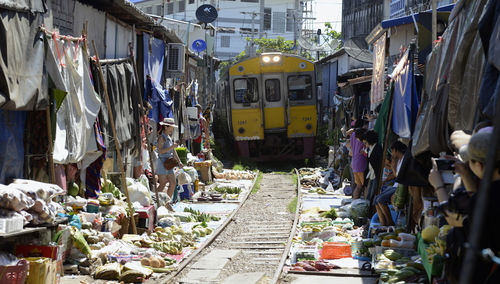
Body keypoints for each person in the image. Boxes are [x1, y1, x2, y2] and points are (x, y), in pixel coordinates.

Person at [428, 130, 500, 284]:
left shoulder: (487, 197)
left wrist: (438, 186)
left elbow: (454, 219)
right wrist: (466, 175)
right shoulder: (490, 192)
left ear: (479, 165)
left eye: (470, 161)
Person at [374, 141, 406, 226]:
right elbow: (395, 175)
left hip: (399, 187)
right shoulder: (399, 160)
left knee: (381, 200)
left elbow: (398, 176)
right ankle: (382, 224)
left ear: (395, 150)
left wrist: (393, 165)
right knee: (376, 200)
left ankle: (390, 223)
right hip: (395, 186)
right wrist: (393, 165)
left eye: (392, 151)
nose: (391, 154)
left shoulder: (404, 160)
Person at [157, 118, 183, 198]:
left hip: (169, 163)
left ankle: (166, 201)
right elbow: (160, 151)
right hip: (162, 162)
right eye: (171, 127)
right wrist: (172, 147)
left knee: (173, 183)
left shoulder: (169, 137)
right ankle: (156, 200)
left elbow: (173, 151)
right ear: (166, 127)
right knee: (162, 184)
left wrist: (179, 161)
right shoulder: (162, 138)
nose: (172, 129)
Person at [347, 127, 368, 199]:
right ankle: (366, 205)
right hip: (361, 163)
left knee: (358, 186)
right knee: (365, 186)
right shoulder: (364, 139)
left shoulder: (353, 135)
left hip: (354, 162)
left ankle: (355, 202)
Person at [362, 130, 383, 201]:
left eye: (366, 141)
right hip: (371, 175)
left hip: (376, 175)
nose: (365, 143)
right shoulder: (369, 149)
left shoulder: (378, 149)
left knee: (372, 195)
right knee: (369, 195)